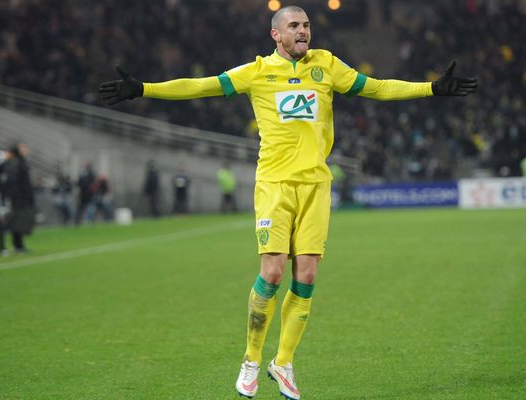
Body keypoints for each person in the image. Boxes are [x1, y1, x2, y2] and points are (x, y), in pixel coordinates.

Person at [99, 6, 476, 399]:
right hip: (275, 185)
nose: (303, 32)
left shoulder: (326, 65)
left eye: (307, 26)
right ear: (275, 35)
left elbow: (377, 87)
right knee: (274, 273)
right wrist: (144, 89)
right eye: (294, 26)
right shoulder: (257, 72)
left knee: (307, 276)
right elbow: (201, 85)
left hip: (316, 184)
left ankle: (284, 362)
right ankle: (251, 359)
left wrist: (430, 88)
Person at [3, 143, 35, 253]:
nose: (26, 149)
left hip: (22, 197)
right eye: (23, 148)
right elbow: (14, 182)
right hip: (18, 198)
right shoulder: (16, 163)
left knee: (20, 222)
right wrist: (17, 196)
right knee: (15, 222)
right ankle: (16, 245)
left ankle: (19, 245)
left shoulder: (21, 162)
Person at [75, 161, 96, 225]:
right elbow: (79, 182)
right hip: (84, 193)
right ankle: (78, 221)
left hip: (88, 193)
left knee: (88, 207)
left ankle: (88, 220)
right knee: (83, 207)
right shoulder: (85, 173)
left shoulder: (89, 173)